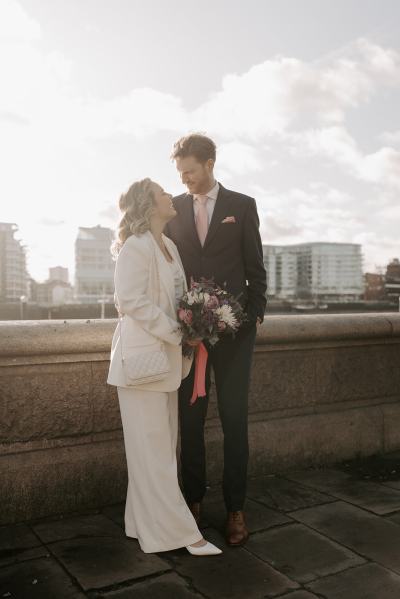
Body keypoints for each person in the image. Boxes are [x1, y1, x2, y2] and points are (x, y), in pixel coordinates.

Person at [107, 177, 222, 556]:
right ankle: (184, 535)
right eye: (161, 192)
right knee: (154, 452)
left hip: (168, 363)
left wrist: (194, 325)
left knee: (156, 450)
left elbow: (177, 298)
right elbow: (131, 301)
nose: (169, 194)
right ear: (147, 204)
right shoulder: (134, 248)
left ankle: (140, 525)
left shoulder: (168, 245)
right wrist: (177, 331)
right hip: (143, 363)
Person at [164, 134, 267, 546]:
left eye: (190, 170)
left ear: (209, 163)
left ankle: (236, 509)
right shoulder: (172, 210)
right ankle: (192, 503)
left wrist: (253, 316)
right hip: (190, 337)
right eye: (181, 173)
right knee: (190, 424)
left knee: (235, 423)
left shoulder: (242, 207)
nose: (185, 179)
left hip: (235, 338)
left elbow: (255, 268)